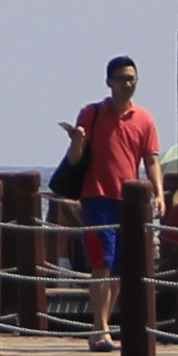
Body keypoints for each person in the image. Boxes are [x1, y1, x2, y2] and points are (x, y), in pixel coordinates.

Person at [58, 56, 159, 331]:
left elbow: (151, 160)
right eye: (122, 79)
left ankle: (104, 322)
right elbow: (76, 159)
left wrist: (158, 194)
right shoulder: (92, 113)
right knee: (101, 264)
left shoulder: (144, 119)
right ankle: (100, 327)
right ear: (109, 83)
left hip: (129, 202)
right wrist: (77, 141)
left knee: (119, 270)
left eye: (132, 78)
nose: (128, 84)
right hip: (97, 196)